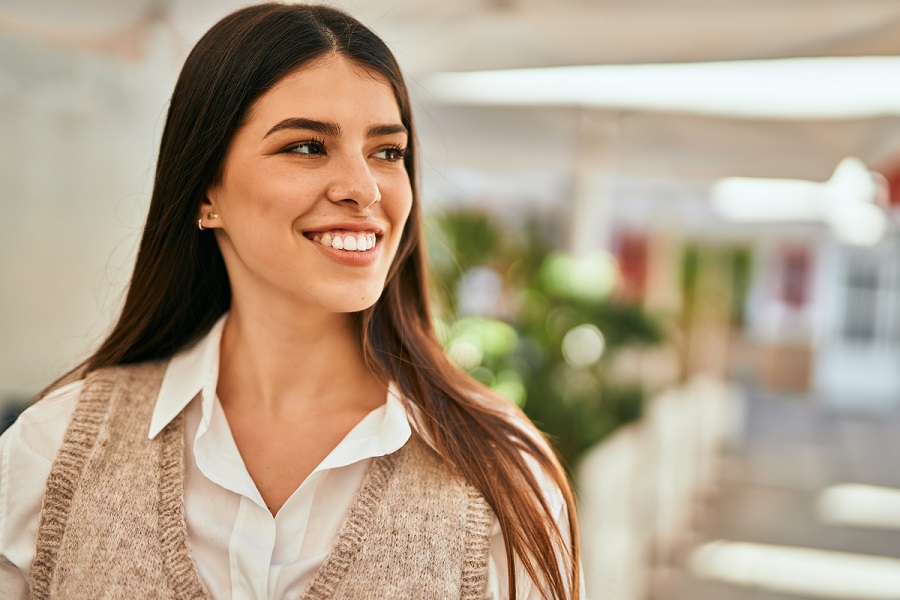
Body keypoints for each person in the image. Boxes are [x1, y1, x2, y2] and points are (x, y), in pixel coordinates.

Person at [0, 4, 580, 598]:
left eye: (387, 152)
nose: (362, 188)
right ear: (206, 191)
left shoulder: (503, 473)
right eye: (306, 147)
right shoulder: (48, 453)